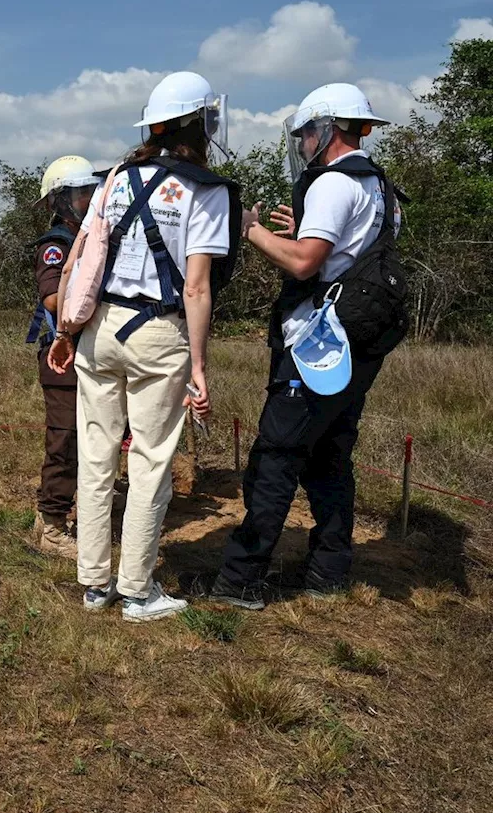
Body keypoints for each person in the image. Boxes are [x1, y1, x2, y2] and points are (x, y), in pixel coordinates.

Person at [48, 71, 240, 622]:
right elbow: (198, 285)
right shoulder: (206, 191)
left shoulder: (115, 179)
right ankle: (136, 590)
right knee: (151, 460)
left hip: (100, 330)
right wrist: (199, 364)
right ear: (202, 123)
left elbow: (87, 261)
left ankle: (92, 583)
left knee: (96, 452)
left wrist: (67, 331)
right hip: (160, 333)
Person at [211, 83, 405, 609]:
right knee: (332, 456)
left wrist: (250, 230)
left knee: (276, 457)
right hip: (359, 346)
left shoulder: (332, 185)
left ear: (326, 130)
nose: (300, 145)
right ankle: (328, 572)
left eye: (304, 134)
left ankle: (242, 579)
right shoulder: (381, 188)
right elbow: (348, 253)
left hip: (317, 344)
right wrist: (303, 233)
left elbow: (304, 264)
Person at [26, 156, 100, 559]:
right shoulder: (56, 246)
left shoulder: (91, 237)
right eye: (79, 193)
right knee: (65, 438)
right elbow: (54, 299)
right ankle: (54, 527)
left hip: (85, 350)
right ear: (60, 201)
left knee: (81, 437)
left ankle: (48, 512)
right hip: (60, 355)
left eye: (90, 191)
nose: (87, 199)